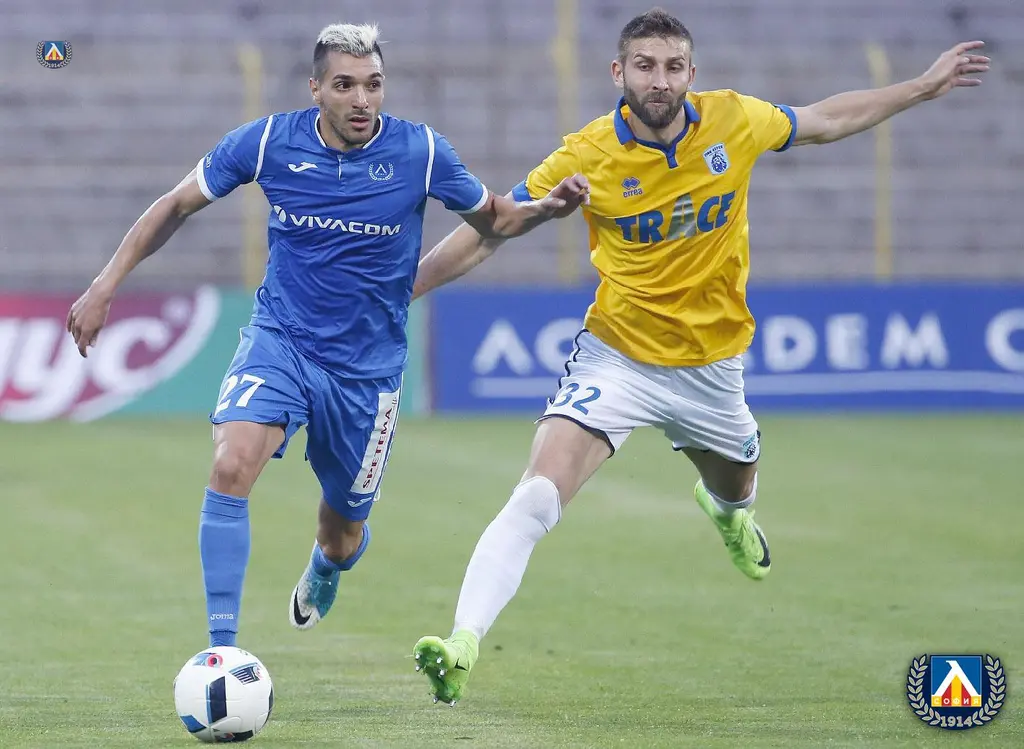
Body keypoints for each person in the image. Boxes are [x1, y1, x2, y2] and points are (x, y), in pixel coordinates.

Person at [408, 7, 990, 705]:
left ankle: (728, 512)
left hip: (713, 369)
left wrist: (921, 87)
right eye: (645, 66)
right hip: (618, 357)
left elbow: (826, 119)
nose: (660, 80)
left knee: (737, 485)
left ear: (692, 72)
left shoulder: (733, 120)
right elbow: (494, 226)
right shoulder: (586, 153)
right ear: (618, 72)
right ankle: (463, 643)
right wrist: (403, 290)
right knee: (536, 494)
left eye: (673, 66)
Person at [66, 22, 589, 649]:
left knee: (341, 535)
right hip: (281, 342)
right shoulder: (267, 142)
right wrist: (105, 284)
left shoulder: (420, 151)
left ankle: (325, 566)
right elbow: (177, 203)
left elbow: (494, 220)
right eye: (345, 85)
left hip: (366, 373)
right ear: (315, 89)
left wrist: (545, 210)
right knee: (231, 464)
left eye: (373, 84)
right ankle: (221, 652)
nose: (362, 100)